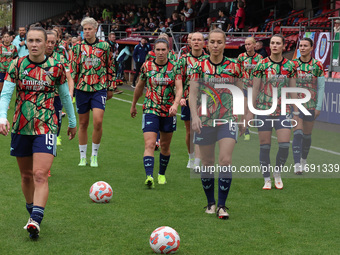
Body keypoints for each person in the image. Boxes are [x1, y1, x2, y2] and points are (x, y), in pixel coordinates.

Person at [0, 26, 76, 239]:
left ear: (46, 43)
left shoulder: (56, 66)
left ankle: (35, 220)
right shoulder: (16, 64)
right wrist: (1, 116)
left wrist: (72, 121)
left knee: (40, 174)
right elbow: (6, 94)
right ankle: (32, 211)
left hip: (47, 126)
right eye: (30, 40)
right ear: (25, 43)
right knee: (25, 176)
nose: (34, 44)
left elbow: (65, 96)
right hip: (21, 127)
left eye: (38, 41)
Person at [189, 29, 245, 219]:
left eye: (219, 42)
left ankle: (222, 205)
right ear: (207, 44)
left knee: (225, 160)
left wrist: (244, 115)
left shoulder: (234, 66)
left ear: (224, 43)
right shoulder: (198, 66)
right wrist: (194, 117)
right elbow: (193, 93)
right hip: (204, 119)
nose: (215, 45)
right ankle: (210, 203)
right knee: (207, 163)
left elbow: (241, 92)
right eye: (212, 42)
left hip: (227, 118)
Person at [248, 34, 299, 190]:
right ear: (269, 46)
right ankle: (266, 179)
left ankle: (277, 173)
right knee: (265, 146)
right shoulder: (261, 65)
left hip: (283, 110)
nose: (275, 45)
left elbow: (292, 89)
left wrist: (296, 110)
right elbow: (255, 88)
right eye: (272, 43)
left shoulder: (290, 66)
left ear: (284, 46)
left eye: (278, 43)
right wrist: (251, 110)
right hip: (263, 109)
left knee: (284, 145)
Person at [130, 38, 182, 188]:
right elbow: (139, 87)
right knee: (150, 143)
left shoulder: (175, 67)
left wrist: (175, 104)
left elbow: (179, 89)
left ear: (168, 51)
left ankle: (161, 174)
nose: (160, 52)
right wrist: (133, 105)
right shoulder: (147, 66)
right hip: (150, 108)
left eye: (163, 50)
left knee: (165, 146)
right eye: (157, 50)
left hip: (168, 111)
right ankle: (149, 176)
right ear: (154, 51)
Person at [70, 17, 116, 167]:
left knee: (98, 121)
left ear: (96, 30)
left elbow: (110, 66)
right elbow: (73, 70)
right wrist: (72, 90)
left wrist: (110, 87)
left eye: (90, 29)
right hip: (82, 89)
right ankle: (83, 156)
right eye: (85, 29)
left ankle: (94, 155)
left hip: (99, 88)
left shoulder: (105, 46)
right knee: (83, 123)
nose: (87, 32)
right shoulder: (77, 47)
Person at [292, 38, 325, 174]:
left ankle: (304, 159)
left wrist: (318, 106)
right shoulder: (293, 64)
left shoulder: (317, 65)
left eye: (306, 46)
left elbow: (321, 87)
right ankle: (297, 164)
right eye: (300, 46)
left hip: (310, 104)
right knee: (298, 133)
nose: (302, 48)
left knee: (306, 135)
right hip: (294, 104)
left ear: (312, 48)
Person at [177, 32, 207, 168]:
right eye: (193, 40)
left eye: (199, 40)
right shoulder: (183, 60)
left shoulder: (208, 59)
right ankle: (191, 157)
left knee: (201, 130)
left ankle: (198, 160)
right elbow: (179, 80)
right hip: (188, 100)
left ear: (203, 43)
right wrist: (182, 97)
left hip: (205, 100)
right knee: (190, 131)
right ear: (190, 42)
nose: (196, 42)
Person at [45, 30, 75, 147]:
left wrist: (70, 92)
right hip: (39, 96)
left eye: (53, 42)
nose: (50, 45)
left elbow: (69, 77)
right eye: (48, 42)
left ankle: (55, 137)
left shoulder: (60, 58)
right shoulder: (36, 57)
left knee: (57, 120)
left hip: (56, 96)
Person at [237, 37, 263, 140]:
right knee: (244, 109)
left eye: (249, 44)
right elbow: (237, 71)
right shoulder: (241, 57)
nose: (247, 46)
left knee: (251, 109)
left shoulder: (260, 58)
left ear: (254, 45)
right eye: (246, 44)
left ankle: (246, 126)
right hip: (244, 86)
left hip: (255, 88)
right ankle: (245, 129)